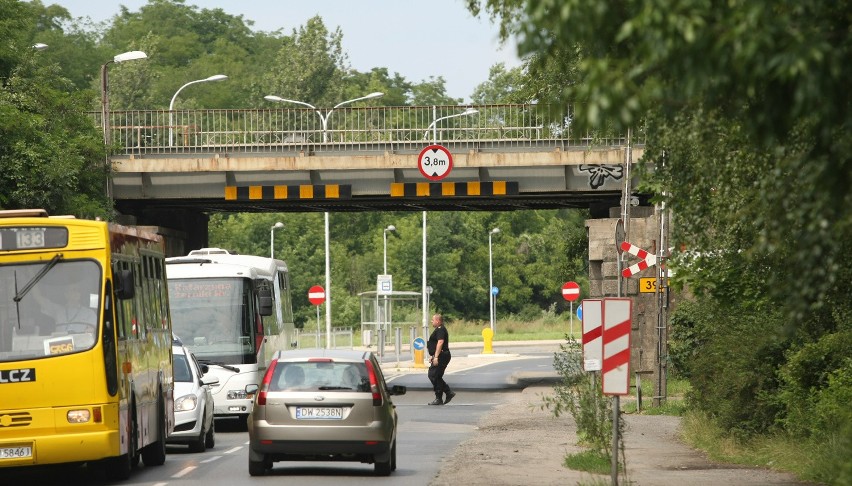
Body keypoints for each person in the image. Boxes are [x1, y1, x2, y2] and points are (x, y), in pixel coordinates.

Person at [426, 313, 455, 405]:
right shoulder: (438, 329)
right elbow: (435, 344)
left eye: (433, 320)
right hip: (440, 355)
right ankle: (444, 395)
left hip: (442, 355)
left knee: (434, 375)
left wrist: (437, 357)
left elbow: (440, 342)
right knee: (435, 376)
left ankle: (445, 393)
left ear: (438, 321)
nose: (431, 321)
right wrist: (433, 356)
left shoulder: (440, 329)